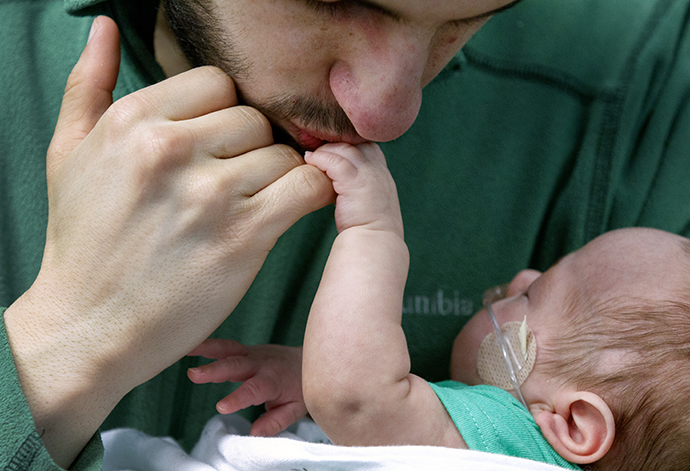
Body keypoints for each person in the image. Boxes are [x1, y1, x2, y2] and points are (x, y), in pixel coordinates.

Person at [2, 0, 690, 469]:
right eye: (334, 1)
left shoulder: (655, 81)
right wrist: (63, 342)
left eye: (466, 22)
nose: (386, 114)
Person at [189, 143, 690, 471]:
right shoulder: (494, 440)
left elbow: (354, 397)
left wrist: (373, 233)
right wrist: (310, 375)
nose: (522, 275)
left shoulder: (514, 441)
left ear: (574, 425)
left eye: (534, 296)